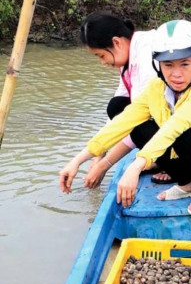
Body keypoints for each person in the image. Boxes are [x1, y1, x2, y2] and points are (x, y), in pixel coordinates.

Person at [60, 20, 191, 216]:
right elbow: (122, 122)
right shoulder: (157, 86)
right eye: (168, 65)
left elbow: (174, 128)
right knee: (140, 129)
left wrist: (136, 166)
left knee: (178, 132)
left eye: (185, 64)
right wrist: (78, 160)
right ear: (158, 65)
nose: (176, 74)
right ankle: (189, 184)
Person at [59, 12, 171, 191]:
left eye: (101, 56)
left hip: (182, 129)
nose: (102, 63)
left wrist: (104, 165)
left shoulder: (147, 58)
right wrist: (97, 156)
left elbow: (133, 119)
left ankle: (173, 164)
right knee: (116, 105)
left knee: (136, 125)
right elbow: (116, 119)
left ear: (117, 42)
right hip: (164, 118)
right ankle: (160, 159)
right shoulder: (129, 56)